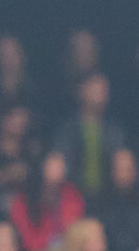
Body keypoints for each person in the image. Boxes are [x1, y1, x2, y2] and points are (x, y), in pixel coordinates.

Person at [53, 73, 128, 201]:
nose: (100, 94)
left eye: (103, 90)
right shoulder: (68, 129)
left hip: (109, 197)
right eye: (95, 89)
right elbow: (60, 161)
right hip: (73, 197)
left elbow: (122, 166)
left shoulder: (115, 131)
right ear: (82, 92)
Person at [9, 151, 85, 251]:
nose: (57, 171)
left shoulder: (71, 195)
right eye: (52, 167)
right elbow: (27, 240)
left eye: (60, 167)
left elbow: (72, 228)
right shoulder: (22, 201)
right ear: (41, 168)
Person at [99, 147, 139, 251]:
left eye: (128, 169)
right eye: (120, 169)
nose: (123, 175)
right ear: (111, 171)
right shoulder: (100, 201)